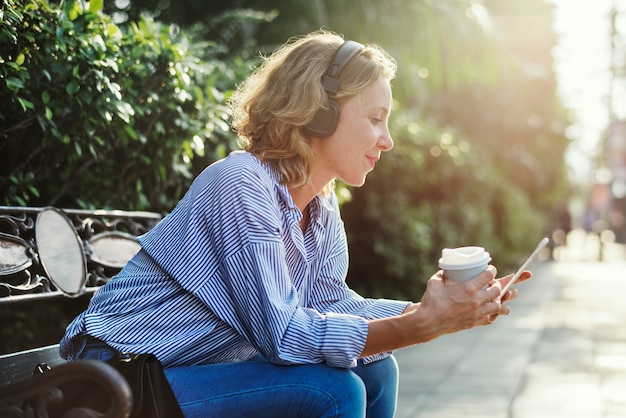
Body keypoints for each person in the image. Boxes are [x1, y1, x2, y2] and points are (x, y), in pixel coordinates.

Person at [60, 30, 531, 418]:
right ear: (319, 112)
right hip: (117, 378)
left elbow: (331, 306)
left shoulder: (320, 207)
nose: (387, 140)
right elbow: (282, 336)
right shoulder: (240, 183)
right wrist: (423, 326)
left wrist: (436, 309)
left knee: (377, 372)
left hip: (183, 373)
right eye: (374, 118)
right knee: (333, 391)